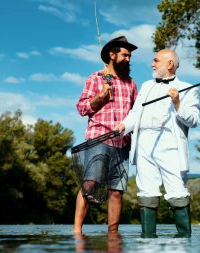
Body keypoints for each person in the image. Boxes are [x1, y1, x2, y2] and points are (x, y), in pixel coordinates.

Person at [114, 49, 200, 238]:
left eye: (156, 60)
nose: (152, 64)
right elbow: (135, 114)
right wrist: (123, 125)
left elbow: (193, 120)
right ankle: (147, 241)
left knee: (177, 190)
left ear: (169, 64)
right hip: (144, 143)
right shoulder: (145, 86)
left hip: (170, 146)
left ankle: (184, 242)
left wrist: (177, 103)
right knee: (146, 191)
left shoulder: (188, 88)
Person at [73, 36, 138, 234]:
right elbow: (82, 108)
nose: (128, 59)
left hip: (122, 143)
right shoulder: (95, 78)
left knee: (117, 191)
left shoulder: (131, 84)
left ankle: (113, 235)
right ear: (112, 54)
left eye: (129, 56)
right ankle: (76, 231)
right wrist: (100, 96)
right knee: (90, 184)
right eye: (124, 55)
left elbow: (136, 114)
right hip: (98, 139)